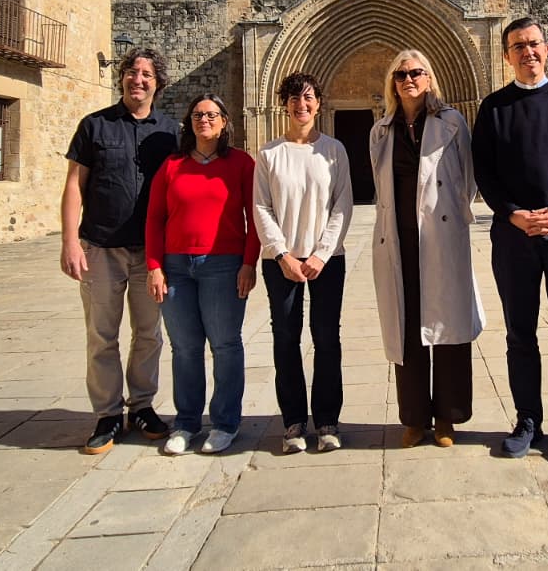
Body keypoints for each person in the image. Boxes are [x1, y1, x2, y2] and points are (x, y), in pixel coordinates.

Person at [471, 17, 548, 467]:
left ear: (547, 49)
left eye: (534, 44)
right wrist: (513, 213)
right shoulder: (493, 108)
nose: (528, 52)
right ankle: (528, 421)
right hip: (514, 237)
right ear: (506, 56)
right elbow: (484, 171)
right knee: (519, 334)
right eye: (518, 46)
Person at [61, 48, 180, 455]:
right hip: (100, 248)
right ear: (123, 79)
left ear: (157, 83)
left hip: (150, 252)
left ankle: (143, 406)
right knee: (101, 335)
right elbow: (75, 185)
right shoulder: (94, 126)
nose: (138, 80)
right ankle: (108, 413)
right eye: (132, 72)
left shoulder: (169, 132)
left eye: (147, 74)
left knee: (149, 334)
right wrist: (69, 242)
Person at [368, 50, 483, 449]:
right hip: (398, 239)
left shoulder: (451, 122)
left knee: (448, 329)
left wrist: (443, 215)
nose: (408, 79)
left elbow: (468, 181)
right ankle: (414, 418)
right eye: (400, 74)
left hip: (441, 236)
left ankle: (448, 418)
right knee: (407, 329)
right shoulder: (381, 130)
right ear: (392, 83)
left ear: (430, 79)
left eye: (416, 72)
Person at [144, 94, 259, 456]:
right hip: (176, 266)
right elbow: (154, 219)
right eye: (197, 115)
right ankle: (186, 422)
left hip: (224, 265)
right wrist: (154, 266)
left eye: (211, 114)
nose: (203, 120)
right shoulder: (173, 165)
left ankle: (225, 423)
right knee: (185, 349)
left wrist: (248, 263)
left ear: (225, 121)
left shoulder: (241, 163)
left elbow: (254, 218)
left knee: (225, 346)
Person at [253, 73, 354, 454]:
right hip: (281, 263)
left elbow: (343, 204)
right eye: (294, 99)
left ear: (319, 103)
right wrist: (281, 254)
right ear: (284, 104)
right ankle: (294, 421)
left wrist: (321, 254)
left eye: (308, 98)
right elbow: (261, 206)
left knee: (327, 339)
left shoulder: (335, 150)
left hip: (325, 261)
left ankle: (327, 420)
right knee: (285, 339)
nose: (302, 105)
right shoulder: (269, 154)